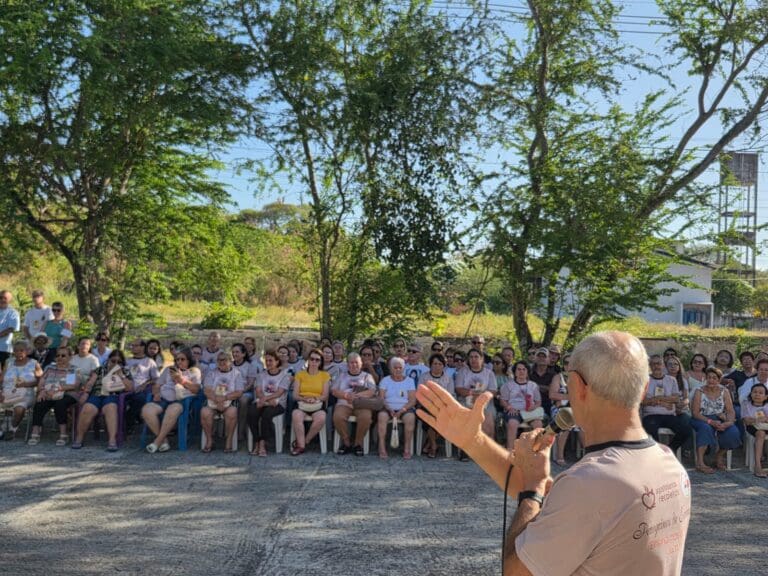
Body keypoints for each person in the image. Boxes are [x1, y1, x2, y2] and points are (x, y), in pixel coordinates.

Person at [415, 331, 690, 576]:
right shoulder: (668, 464)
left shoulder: (590, 484)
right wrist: (474, 441)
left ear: (577, 386)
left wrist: (532, 490)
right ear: (643, 389)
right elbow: (558, 505)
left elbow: (517, 570)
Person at [142, 347, 202, 453]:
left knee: (172, 410)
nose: (179, 362)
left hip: (180, 400)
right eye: (177, 359)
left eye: (182, 359)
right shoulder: (169, 369)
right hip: (163, 399)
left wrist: (181, 379)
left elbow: (196, 389)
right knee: (147, 410)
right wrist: (156, 393)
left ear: (189, 360)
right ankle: (163, 441)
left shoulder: (194, 371)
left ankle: (156, 442)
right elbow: (157, 385)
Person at [72, 349, 134, 450]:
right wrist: (86, 393)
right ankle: (79, 438)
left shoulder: (124, 371)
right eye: (113, 361)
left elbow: (130, 388)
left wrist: (121, 375)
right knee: (88, 408)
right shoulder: (100, 369)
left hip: (112, 395)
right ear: (108, 360)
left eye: (119, 362)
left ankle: (112, 440)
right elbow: (90, 383)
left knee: (111, 408)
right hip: (96, 394)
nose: (115, 364)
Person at [690, 366, 741, 473]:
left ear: (719, 380)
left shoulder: (724, 391)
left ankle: (719, 456)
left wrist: (728, 423)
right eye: (709, 377)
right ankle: (700, 463)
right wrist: (711, 422)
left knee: (732, 432)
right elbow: (695, 413)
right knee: (705, 428)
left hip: (719, 418)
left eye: (714, 378)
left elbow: (730, 411)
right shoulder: (699, 391)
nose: (711, 380)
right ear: (705, 378)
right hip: (702, 418)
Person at [641, 355, 692, 455]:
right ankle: (656, 455)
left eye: (658, 363)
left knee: (686, 430)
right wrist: (665, 402)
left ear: (663, 366)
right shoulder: (644, 380)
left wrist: (656, 399)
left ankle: (669, 451)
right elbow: (643, 401)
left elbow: (676, 398)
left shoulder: (671, 380)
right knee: (650, 430)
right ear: (649, 366)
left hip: (669, 415)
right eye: (653, 364)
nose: (656, 366)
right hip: (651, 415)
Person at [28, 345, 78, 446]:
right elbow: (42, 381)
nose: (60, 357)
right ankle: (35, 431)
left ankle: (63, 434)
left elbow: (71, 385)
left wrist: (56, 389)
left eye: (63, 355)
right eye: (58, 355)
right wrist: (42, 391)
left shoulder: (72, 369)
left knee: (60, 404)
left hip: (66, 393)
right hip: (48, 393)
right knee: (40, 402)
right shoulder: (50, 367)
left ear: (70, 357)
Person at [332, 352, 377, 456]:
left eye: (356, 362)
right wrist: (346, 395)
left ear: (361, 364)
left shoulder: (367, 376)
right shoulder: (341, 376)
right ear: (347, 364)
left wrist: (356, 395)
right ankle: (346, 442)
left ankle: (358, 444)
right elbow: (334, 391)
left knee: (366, 417)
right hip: (344, 403)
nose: (354, 365)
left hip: (361, 404)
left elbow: (372, 391)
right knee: (338, 416)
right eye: (351, 362)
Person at [247, 350, 291, 456]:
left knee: (266, 414)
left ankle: (262, 444)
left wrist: (266, 399)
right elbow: (258, 390)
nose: (268, 363)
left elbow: (279, 392)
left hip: (278, 403)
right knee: (252, 412)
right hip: (263, 400)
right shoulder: (261, 375)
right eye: (266, 361)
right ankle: (257, 442)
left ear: (277, 361)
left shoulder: (284, 375)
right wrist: (264, 400)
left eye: (271, 360)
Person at [201, 351, 244, 453]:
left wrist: (224, 398)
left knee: (231, 412)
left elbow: (239, 392)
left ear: (230, 361)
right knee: (204, 412)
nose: (221, 362)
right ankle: (210, 440)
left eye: (224, 360)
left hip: (229, 400)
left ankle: (228, 441)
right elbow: (207, 390)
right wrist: (217, 400)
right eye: (219, 360)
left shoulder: (236, 374)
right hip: (213, 400)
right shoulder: (212, 373)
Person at [290, 348, 330, 455]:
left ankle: (304, 442)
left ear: (320, 362)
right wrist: (304, 398)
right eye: (312, 359)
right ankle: (301, 446)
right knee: (296, 415)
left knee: (321, 418)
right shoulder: (300, 374)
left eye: (317, 360)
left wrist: (315, 399)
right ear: (308, 360)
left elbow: (325, 396)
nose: (314, 362)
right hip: (301, 403)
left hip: (317, 404)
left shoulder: (325, 375)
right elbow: (295, 395)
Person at [0, 340, 42, 440]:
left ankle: (12, 428)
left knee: (19, 409)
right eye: (16, 350)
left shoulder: (34, 363)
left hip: (25, 394)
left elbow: (41, 381)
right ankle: (3, 428)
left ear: (27, 351)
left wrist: (26, 384)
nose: (18, 353)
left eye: (21, 350)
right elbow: (1, 379)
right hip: (6, 392)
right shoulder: (9, 362)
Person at [377, 357, 417, 460]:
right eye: (395, 368)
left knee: (410, 418)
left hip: (405, 408)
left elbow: (412, 401)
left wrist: (402, 410)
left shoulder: (409, 381)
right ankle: (382, 447)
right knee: (381, 416)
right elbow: (381, 398)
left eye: (400, 368)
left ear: (403, 368)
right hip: (387, 407)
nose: (398, 370)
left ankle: (407, 448)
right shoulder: (385, 380)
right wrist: (389, 409)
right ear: (391, 368)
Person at [455, 348, 497, 440]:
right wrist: (471, 393)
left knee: (488, 416)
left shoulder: (489, 373)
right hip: (466, 400)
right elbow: (459, 389)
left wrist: (481, 396)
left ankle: (488, 443)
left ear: (482, 359)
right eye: (471, 357)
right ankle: (467, 444)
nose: (473, 359)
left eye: (476, 357)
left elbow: (493, 391)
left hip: (485, 401)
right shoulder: (463, 372)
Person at [499, 361, 542, 451]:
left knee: (538, 424)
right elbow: (502, 400)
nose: (521, 371)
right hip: (514, 410)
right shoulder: (508, 385)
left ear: (527, 372)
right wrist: (509, 407)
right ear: (515, 372)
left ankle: (536, 450)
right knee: (512, 423)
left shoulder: (533, 385)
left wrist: (533, 407)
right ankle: (510, 450)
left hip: (529, 412)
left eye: (524, 369)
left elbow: (538, 402)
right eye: (519, 369)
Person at [417, 353, 454, 458]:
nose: (437, 366)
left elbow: (451, 396)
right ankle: (433, 445)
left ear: (443, 366)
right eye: (434, 364)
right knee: (429, 416)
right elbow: (420, 393)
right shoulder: (424, 377)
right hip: (426, 405)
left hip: (443, 407)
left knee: (441, 417)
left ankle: (430, 444)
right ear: (430, 365)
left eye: (439, 364)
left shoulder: (448, 379)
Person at [125, 339, 160, 428]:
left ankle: (128, 423)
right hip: (126, 388)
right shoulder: (127, 361)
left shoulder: (149, 361)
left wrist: (146, 384)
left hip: (141, 390)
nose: (132, 347)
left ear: (142, 347)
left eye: (135, 345)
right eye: (132, 345)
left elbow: (157, 378)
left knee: (140, 398)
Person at [741, 382, 768, 478]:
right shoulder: (746, 404)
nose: (757, 394)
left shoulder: (767, 405)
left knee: (762, 432)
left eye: (761, 393)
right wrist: (757, 420)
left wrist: (764, 419)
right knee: (760, 434)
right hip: (752, 427)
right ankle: (758, 466)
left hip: (765, 426)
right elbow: (746, 421)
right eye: (755, 392)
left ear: (766, 396)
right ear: (751, 394)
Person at [529, 347, 556, 416]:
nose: (541, 358)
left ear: (549, 360)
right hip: (531, 404)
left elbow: (553, 390)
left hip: (548, 405)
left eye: (544, 356)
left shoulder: (553, 375)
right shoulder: (528, 372)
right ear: (535, 358)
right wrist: (545, 388)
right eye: (539, 356)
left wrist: (535, 386)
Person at [0, 290, 21, 366]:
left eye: (5, 298)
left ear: (10, 300)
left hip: (4, 348)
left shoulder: (13, 312)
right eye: (0, 297)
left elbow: (11, 329)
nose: (2, 300)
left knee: (5, 370)